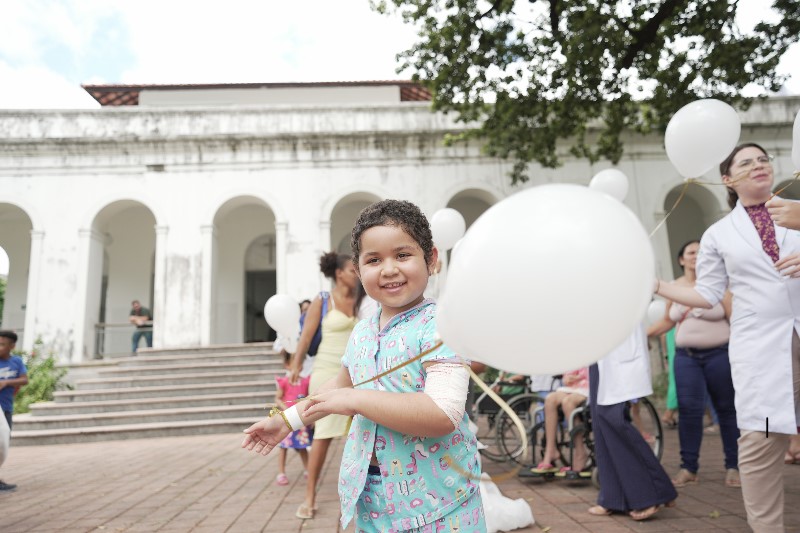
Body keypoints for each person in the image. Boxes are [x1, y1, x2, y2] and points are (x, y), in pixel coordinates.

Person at [243, 199, 485, 531]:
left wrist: (357, 400)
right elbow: (341, 385)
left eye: (402, 255)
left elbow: (443, 414)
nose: (388, 269)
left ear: (431, 259)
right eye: (374, 260)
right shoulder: (363, 330)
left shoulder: (442, 325)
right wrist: (288, 420)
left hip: (441, 505)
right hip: (373, 498)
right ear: (357, 270)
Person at [655, 143, 800, 533]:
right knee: (761, 439)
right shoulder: (719, 234)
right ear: (728, 179)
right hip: (763, 348)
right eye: (746, 162)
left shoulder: (798, 210)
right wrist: (657, 286)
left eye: (764, 159)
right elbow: (706, 293)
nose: (759, 165)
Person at [647, 240, 740, 488]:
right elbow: (667, 321)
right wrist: (642, 335)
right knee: (688, 411)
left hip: (719, 355)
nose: (695, 256)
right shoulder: (673, 288)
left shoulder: (721, 285)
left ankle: (735, 465)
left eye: (700, 252)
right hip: (686, 357)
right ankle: (689, 467)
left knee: (727, 409)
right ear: (681, 260)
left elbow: (735, 321)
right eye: (690, 252)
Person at [287, 251, 361, 519]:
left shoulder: (360, 299)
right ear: (339, 273)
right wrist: (295, 364)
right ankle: (309, 497)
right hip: (325, 372)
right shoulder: (324, 299)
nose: (358, 273)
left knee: (364, 433)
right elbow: (306, 337)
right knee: (325, 435)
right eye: (353, 270)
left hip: (355, 375)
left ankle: (367, 494)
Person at [587, 325, 678, 521]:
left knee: (614, 419)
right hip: (597, 349)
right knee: (601, 423)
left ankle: (653, 490)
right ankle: (612, 497)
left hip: (619, 345)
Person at [530, 366, 590, 476]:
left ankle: (581, 452)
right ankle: (551, 450)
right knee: (550, 399)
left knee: (568, 402)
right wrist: (568, 378)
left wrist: (580, 377)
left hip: (588, 388)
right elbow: (568, 374)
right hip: (573, 387)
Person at [274, 349, 312, 486]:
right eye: (294, 362)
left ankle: (308, 469)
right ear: (287, 365)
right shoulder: (284, 382)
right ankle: (281, 472)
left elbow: (307, 399)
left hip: (300, 419)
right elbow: (278, 398)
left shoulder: (305, 382)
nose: (298, 366)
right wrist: (284, 408)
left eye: (300, 363)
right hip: (287, 419)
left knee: (302, 446)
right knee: (283, 446)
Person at [0, 330, 28, 492]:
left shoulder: (16, 362)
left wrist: (7, 383)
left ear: (12, 346)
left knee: (3, 444)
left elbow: (24, 379)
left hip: (6, 409)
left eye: (3, 344)